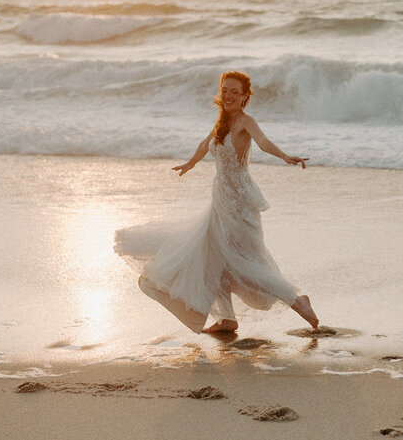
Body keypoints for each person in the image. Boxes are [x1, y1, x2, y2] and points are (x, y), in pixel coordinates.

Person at [135, 70, 319, 334]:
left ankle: (296, 300)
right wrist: (190, 163)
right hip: (220, 199)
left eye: (235, 91)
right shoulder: (221, 122)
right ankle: (227, 319)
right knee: (214, 258)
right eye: (225, 90)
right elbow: (205, 144)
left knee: (246, 261)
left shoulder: (246, 121)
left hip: (240, 201)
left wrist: (286, 156)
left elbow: (264, 142)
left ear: (245, 97)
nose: (228, 95)